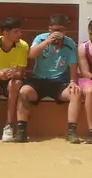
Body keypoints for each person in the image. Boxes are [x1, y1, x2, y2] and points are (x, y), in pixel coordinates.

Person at [20, 14, 82, 144]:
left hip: (58, 82)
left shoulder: (70, 43)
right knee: (24, 92)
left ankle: (71, 132)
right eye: (54, 30)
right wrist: (47, 41)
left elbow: (73, 64)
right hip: (39, 80)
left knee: (75, 93)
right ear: (49, 29)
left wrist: (72, 81)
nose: (57, 33)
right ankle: (21, 131)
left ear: (65, 31)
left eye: (60, 30)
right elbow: (31, 55)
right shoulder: (40, 38)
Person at [0, 16, 29, 142]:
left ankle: (8, 126)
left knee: (16, 82)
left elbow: (21, 73)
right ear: (5, 32)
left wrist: (14, 74)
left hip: (12, 81)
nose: (20, 34)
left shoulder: (23, 46)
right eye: (16, 31)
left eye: (20, 31)